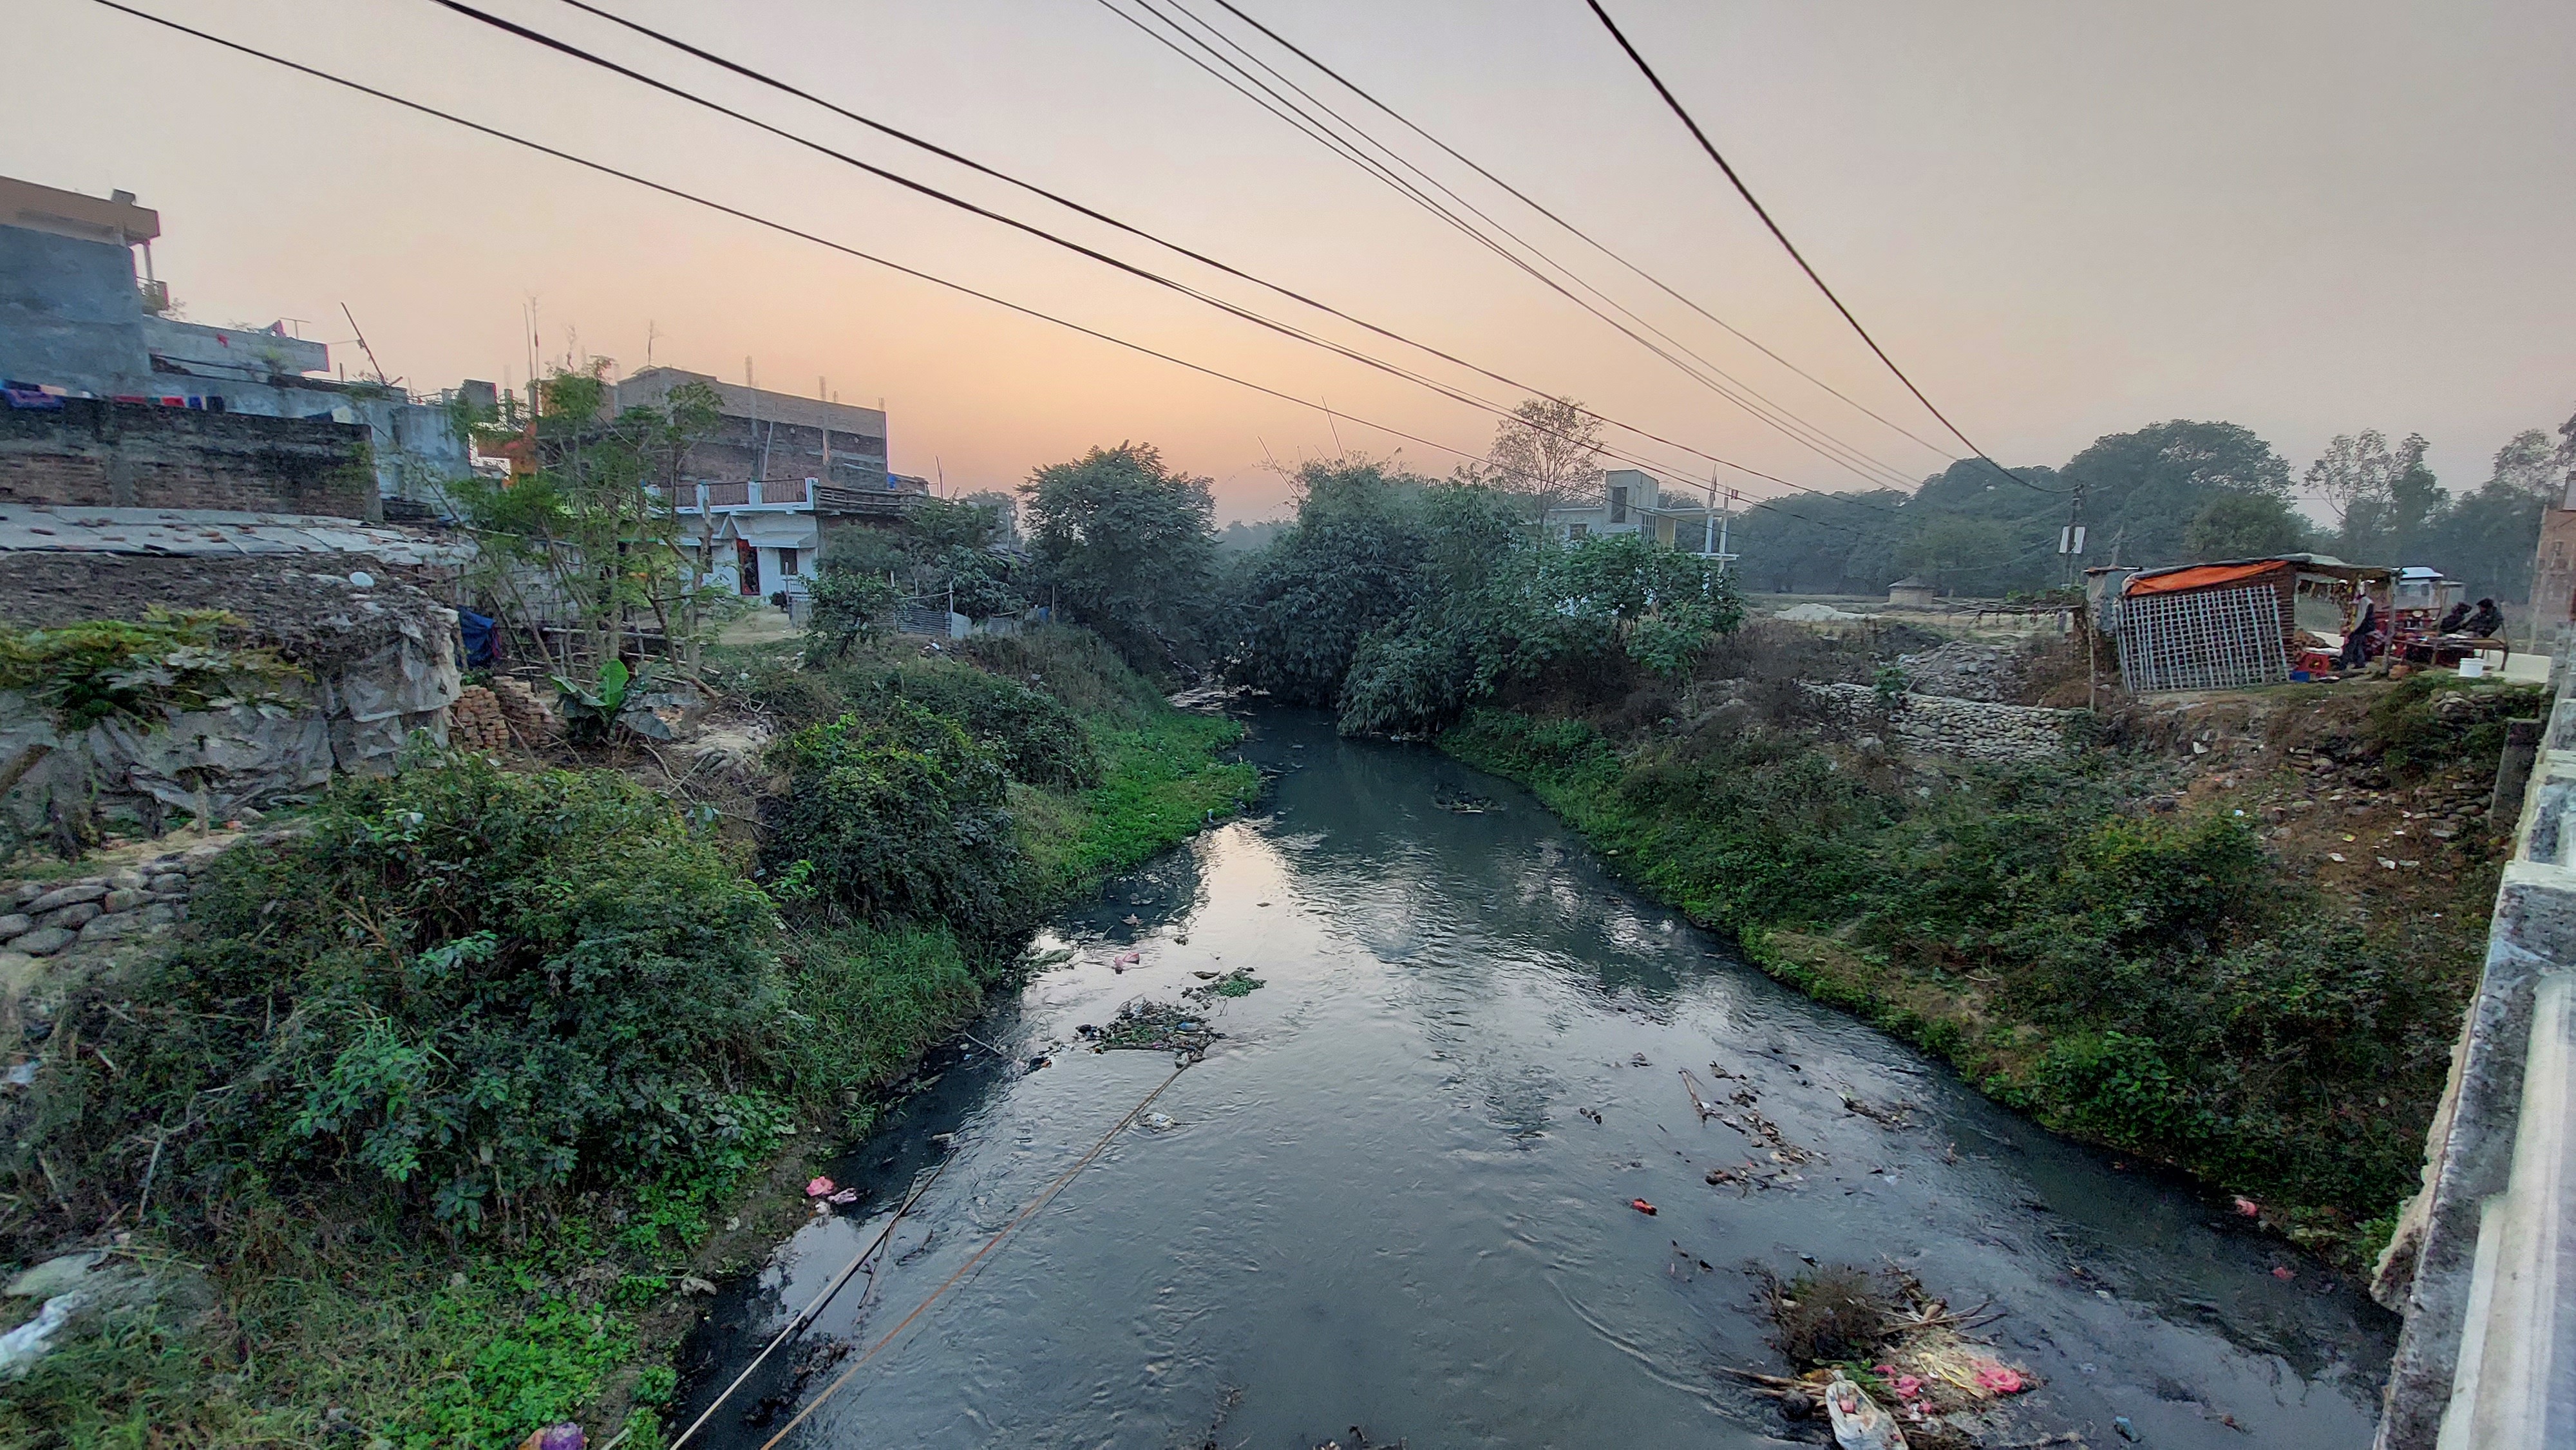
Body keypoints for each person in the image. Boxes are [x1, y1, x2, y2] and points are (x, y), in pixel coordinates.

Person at [2341, 597, 2380, 670]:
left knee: (2352, 644)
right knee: (2357, 645)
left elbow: (2360, 617)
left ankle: (2344, 664)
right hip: (2365, 626)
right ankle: (2359, 663)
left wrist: (2352, 629)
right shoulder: (2367, 601)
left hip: (2363, 627)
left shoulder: (2364, 601)